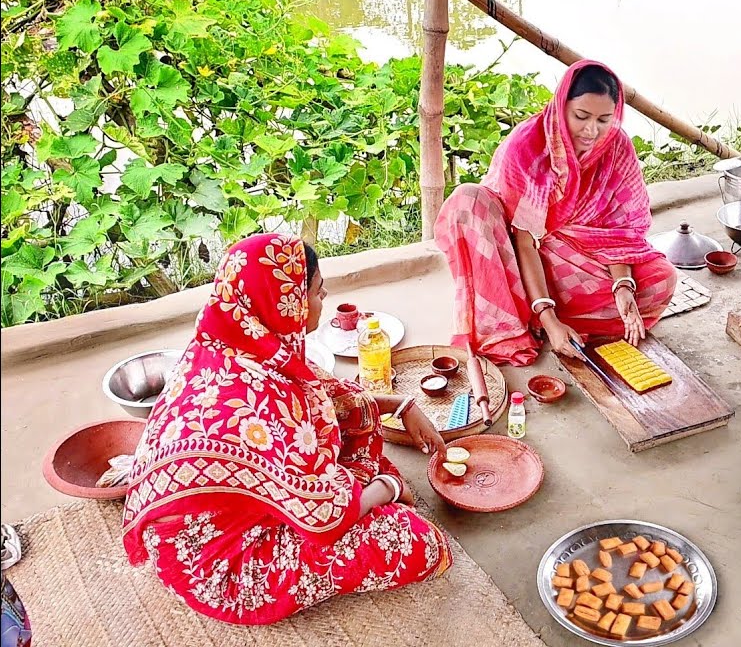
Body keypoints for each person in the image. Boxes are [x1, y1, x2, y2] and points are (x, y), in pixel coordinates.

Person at [122, 234, 451, 625]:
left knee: (346, 414)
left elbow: (331, 397)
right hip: (220, 568)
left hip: (204, 524)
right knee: (414, 542)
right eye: (314, 289)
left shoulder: (226, 343)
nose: (324, 295)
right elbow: (324, 517)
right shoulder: (260, 399)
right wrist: (387, 489)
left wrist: (402, 404)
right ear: (284, 302)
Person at [435, 60, 677, 366]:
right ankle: (527, 316)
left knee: (661, 279)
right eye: (581, 116)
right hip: (515, 253)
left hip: (571, 253)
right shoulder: (527, 147)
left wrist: (623, 287)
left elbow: (618, 235)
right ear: (562, 106)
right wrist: (550, 322)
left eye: (604, 119)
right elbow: (525, 242)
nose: (592, 131)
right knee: (467, 201)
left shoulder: (616, 148)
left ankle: (548, 316)